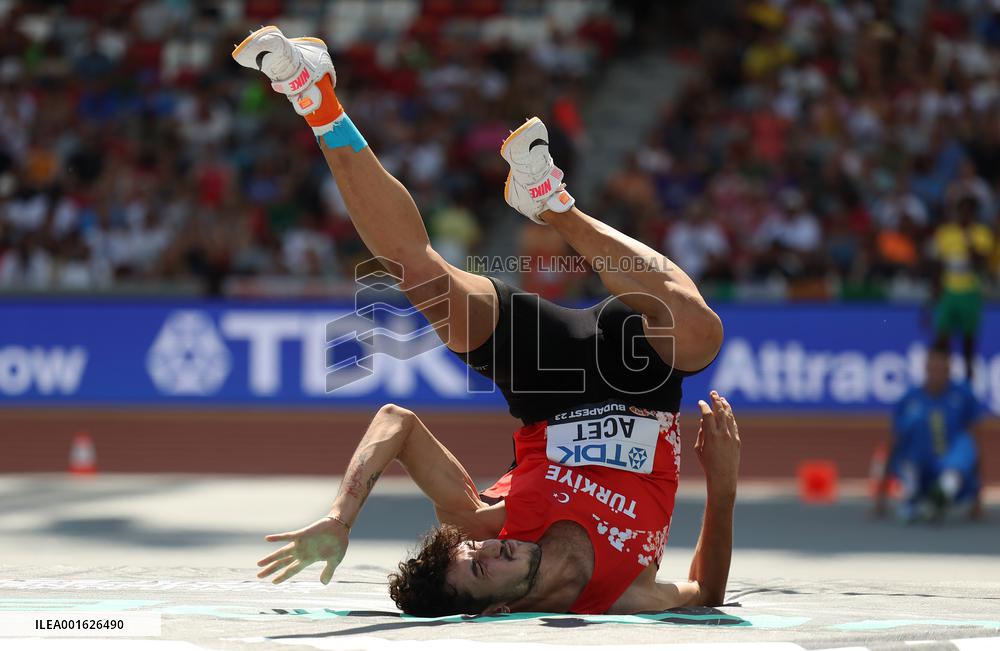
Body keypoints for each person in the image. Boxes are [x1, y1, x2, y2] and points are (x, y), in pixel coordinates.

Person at [232, 27, 727, 614]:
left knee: (419, 276)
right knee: (699, 333)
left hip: (548, 390)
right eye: (479, 569)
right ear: (494, 609)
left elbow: (398, 423)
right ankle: (554, 204)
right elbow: (705, 594)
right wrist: (723, 484)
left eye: (471, 553)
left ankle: (316, 98)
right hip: (635, 382)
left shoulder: (483, 523)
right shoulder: (622, 594)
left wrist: (343, 516)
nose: (482, 551)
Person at [874, 343, 985, 522]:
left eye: (943, 368)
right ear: (925, 367)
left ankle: (940, 496)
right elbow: (893, 442)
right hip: (917, 467)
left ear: (950, 369)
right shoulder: (910, 399)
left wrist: (978, 500)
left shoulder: (963, 396)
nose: (938, 374)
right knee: (909, 431)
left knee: (966, 442)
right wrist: (880, 497)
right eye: (933, 367)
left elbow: (976, 446)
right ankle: (912, 496)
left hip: (950, 471)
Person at [930, 195, 995, 380]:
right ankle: (940, 376)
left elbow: (980, 263)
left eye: (969, 211)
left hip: (970, 292)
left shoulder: (981, 233)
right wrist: (935, 289)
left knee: (968, 342)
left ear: (974, 214)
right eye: (962, 211)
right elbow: (938, 263)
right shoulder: (945, 232)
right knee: (942, 338)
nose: (964, 215)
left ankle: (968, 382)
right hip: (949, 291)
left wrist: (968, 238)